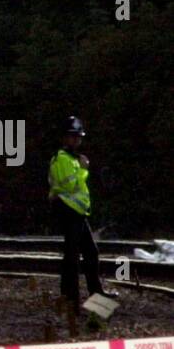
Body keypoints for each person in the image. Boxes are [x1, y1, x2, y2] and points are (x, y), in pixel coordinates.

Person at [48, 116, 113, 309]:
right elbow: (69, 185)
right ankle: (71, 298)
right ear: (64, 138)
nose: (76, 140)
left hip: (76, 212)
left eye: (78, 137)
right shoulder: (61, 159)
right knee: (73, 255)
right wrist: (84, 170)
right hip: (68, 211)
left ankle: (93, 295)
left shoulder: (72, 159)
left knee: (88, 252)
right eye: (72, 136)